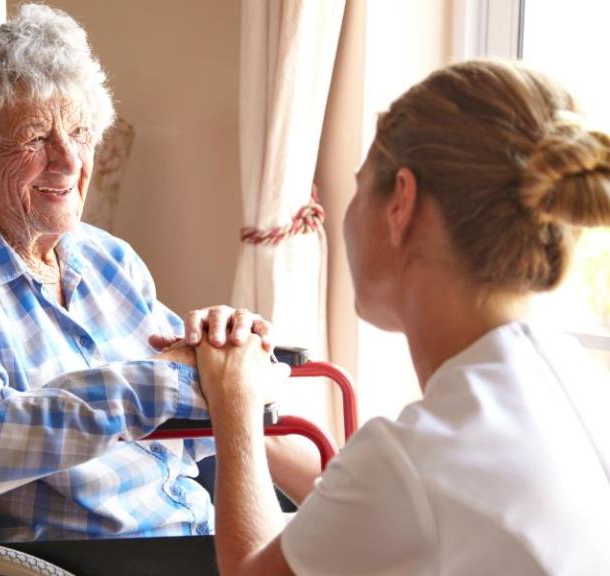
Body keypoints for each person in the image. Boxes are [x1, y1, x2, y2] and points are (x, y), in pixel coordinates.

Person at [196, 59, 610, 575]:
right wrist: (264, 441)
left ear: (402, 203)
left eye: (360, 185)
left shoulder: (418, 454)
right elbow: (389, 518)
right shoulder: (568, 377)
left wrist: (233, 404)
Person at [0, 4, 277, 542]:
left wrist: (229, 353)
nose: (69, 160)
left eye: (80, 132)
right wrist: (169, 382)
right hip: (102, 559)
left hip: (196, 528)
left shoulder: (109, 259)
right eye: (35, 137)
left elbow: (192, 417)